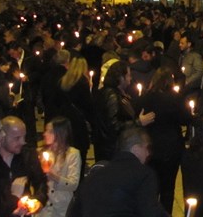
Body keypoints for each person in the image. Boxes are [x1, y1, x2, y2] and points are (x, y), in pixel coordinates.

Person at [77, 126, 168, 216]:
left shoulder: (92, 177)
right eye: (147, 148)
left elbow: (75, 211)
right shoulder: (143, 174)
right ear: (136, 149)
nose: (148, 153)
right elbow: (150, 211)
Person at [134, 66, 187, 214]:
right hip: (171, 148)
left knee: (150, 188)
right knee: (168, 189)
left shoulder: (145, 98)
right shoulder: (175, 99)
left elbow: (135, 114)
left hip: (150, 148)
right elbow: (185, 119)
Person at [91, 61, 154, 161]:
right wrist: (139, 122)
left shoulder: (113, 93)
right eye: (128, 75)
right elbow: (114, 125)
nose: (130, 78)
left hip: (109, 147)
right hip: (111, 150)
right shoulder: (112, 96)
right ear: (121, 78)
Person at [0, 115, 49, 210]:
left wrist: (39, 200)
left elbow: (41, 182)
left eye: (24, 137)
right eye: (17, 138)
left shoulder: (28, 155)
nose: (22, 142)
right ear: (2, 136)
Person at [37, 117, 81, 217]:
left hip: (61, 209)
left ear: (60, 134)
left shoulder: (73, 154)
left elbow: (73, 184)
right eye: (45, 130)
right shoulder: (40, 152)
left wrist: (53, 176)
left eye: (49, 131)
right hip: (43, 209)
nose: (44, 134)